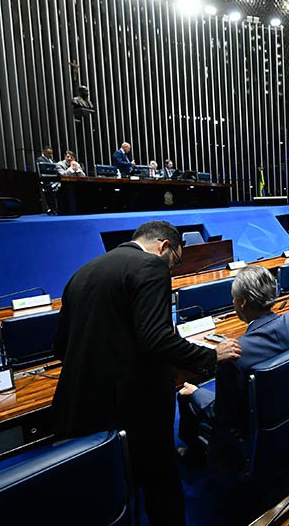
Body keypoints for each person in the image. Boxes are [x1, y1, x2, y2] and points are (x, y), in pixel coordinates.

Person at [52, 220, 241, 525]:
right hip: (135, 406)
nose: (171, 270)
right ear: (164, 247)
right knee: (161, 483)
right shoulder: (151, 266)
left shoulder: (81, 273)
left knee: (106, 491)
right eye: (175, 262)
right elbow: (156, 339)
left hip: (81, 405)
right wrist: (210, 356)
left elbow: (60, 348)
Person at [177, 266, 289, 469]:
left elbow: (223, 417)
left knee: (185, 394)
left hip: (255, 438)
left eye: (233, 298)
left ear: (242, 303)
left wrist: (197, 392)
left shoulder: (236, 356)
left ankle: (198, 457)